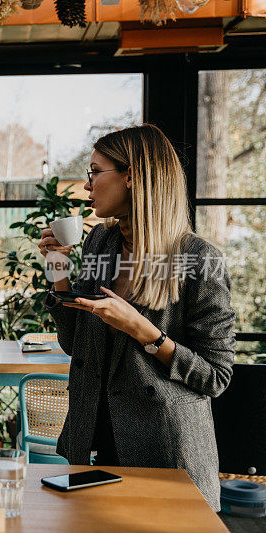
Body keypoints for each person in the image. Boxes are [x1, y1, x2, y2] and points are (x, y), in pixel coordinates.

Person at [38, 124, 235, 510]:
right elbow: (75, 344)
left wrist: (146, 332)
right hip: (94, 443)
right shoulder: (101, 242)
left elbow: (217, 376)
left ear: (133, 177)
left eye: (95, 172)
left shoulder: (198, 259)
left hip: (165, 453)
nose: (87, 185)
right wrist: (58, 274)